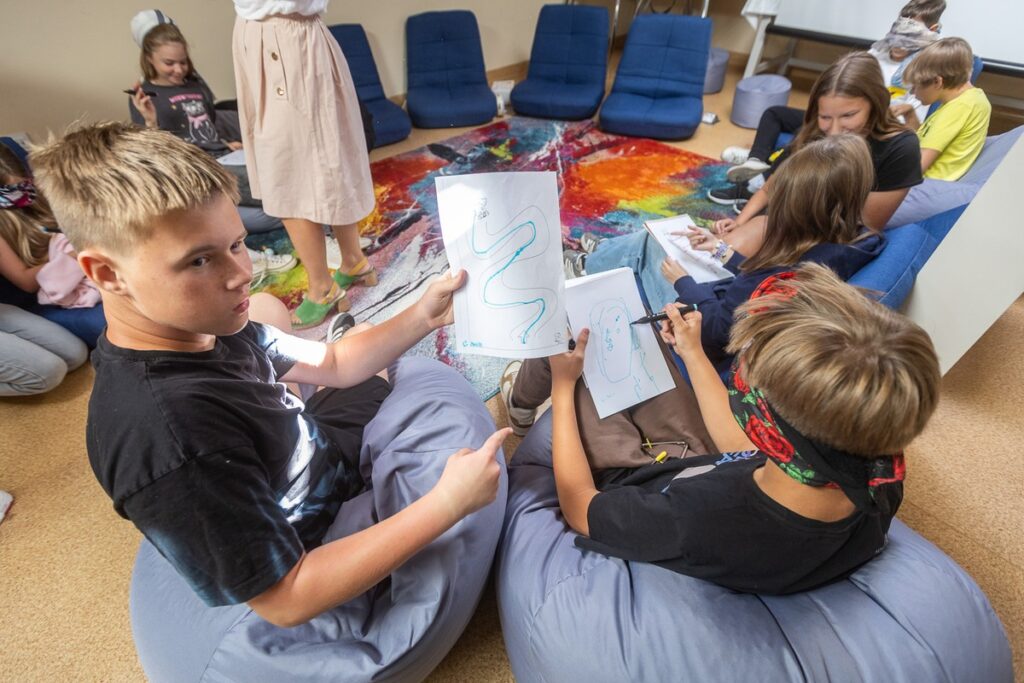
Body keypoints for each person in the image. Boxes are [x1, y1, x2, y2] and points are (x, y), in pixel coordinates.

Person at [30, 122, 507, 626]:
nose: (242, 273)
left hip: (309, 447)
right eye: (199, 260)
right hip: (314, 539)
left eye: (236, 244)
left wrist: (423, 315)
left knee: (356, 340)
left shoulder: (208, 324)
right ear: (106, 274)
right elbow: (287, 599)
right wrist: (447, 504)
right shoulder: (170, 437)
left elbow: (336, 364)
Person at [545, 262, 941, 594]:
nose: (738, 371)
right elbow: (750, 451)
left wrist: (561, 390)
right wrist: (692, 351)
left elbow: (580, 506)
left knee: (569, 347)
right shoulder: (879, 477)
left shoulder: (700, 521)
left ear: (766, 427)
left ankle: (523, 396)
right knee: (638, 347)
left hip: (635, 480)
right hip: (710, 463)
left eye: (743, 369)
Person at [516, 134, 884, 449]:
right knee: (664, 242)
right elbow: (752, 289)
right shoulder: (847, 246)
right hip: (714, 304)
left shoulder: (784, 269)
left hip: (693, 337)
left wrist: (683, 282)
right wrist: (724, 252)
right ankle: (597, 258)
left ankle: (583, 270)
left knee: (650, 247)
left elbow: (718, 330)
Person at [231, 0, 377, 329]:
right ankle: (353, 261)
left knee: (285, 171)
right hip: (280, 38)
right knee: (326, 157)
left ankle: (322, 287)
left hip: (282, 40)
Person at [127, 9, 293, 277]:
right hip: (197, 170)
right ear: (149, 58)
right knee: (275, 197)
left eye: (183, 62)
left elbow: (206, 125)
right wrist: (149, 121)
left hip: (223, 157)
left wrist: (227, 143)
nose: (178, 69)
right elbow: (151, 154)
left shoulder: (194, 85)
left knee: (281, 175)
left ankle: (302, 223)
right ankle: (303, 229)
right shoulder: (145, 97)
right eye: (169, 63)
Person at [712, 51, 922, 258]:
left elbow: (866, 226)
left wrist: (780, 233)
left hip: (834, 235)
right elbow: (773, 185)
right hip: (791, 215)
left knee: (744, 248)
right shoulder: (814, 131)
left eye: (849, 115)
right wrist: (740, 223)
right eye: (825, 117)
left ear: (876, 103)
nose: (835, 130)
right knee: (726, 246)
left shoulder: (901, 148)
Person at [721, 0, 946, 185]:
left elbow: (912, 128)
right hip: (843, 113)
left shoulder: (924, 72)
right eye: (896, 33)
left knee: (815, 132)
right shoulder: (876, 53)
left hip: (870, 129)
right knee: (776, 114)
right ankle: (755, 161)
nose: (898, 44)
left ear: (931, 33)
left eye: (908, 37)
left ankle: (766, 175)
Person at [0, 144, 104, 347]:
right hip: (55, 289)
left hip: (88, 266)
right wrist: (65, 255)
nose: (23, 194)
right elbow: (25, 282)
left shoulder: (38, 195)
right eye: (13, 190)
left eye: (24, 185)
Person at [899, 37, 992, 181]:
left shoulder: (959, 108)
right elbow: (926, 140)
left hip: (925, 184)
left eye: (915, 86)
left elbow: (917, 168)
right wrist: (910, 115)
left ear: (937, 81)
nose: (912, 93)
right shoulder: (967, 99)